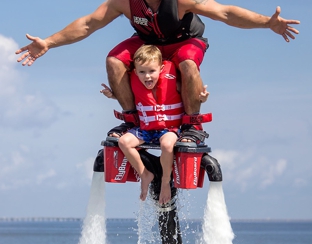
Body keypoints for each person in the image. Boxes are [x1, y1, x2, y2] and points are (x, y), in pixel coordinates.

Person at [15, 0, 300, 144]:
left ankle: (192, 126)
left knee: (187, 63)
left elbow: (224, 13)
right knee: (115, 59)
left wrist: (267, 23)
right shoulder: (125, 2)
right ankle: (131, 121)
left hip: (185, 41)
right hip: (150, 43)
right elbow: (89, 24)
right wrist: (49, 42)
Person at [102, 45, 208, 204]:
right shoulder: (134, 83)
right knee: (124, 142)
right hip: (146, 129)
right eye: (142, 72)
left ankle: (165, 181)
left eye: (152, 71)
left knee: (166, 145)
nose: (147, 76)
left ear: (161, 69)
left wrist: (202, 97)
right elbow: (128, 96)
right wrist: (113, 96)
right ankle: (145, 174)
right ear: (136, 72)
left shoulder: (174, 81)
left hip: (170, 129)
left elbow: (191, 93)